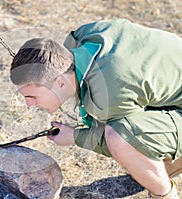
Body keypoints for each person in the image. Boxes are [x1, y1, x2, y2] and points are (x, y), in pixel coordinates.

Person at [10, 19, 182, 198]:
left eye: (32, 96)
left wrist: (75, 136)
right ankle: (167, 160)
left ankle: (165, 195)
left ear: (60, 82)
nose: (29, 104)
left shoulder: (109, 91)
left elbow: (123, 138)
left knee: (120, 139)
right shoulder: (80, 39)